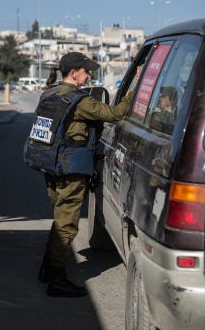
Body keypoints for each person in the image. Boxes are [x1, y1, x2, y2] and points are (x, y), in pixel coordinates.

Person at [31, 52, 133, 298]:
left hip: (52, 167)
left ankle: (47, 269)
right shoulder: (79, 101)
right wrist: (133, 91)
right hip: (71, 170)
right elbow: (116, 113)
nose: (89, 75)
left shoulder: (50, 94)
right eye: (86, 71)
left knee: (60, 218)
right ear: (73, 73)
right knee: (66, 225)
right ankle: (57, 280)